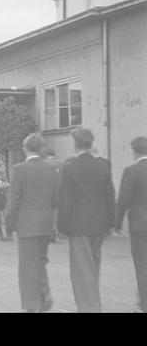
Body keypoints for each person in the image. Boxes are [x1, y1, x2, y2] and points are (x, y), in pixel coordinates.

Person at [58, 127, 115, 312]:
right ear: (91, 144)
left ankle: (89, 307)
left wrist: (62, 226)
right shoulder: (103, 166)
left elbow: (66, 200)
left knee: (82, 270)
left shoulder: (70, 168)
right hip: (99, 224)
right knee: (94, 267)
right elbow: (110, 196)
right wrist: (110, 223)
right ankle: (92, 303)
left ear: (75, 144)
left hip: (78, 225)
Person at [5, 133, 59, 313]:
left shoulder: (19, 169)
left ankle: (31, 305)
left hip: (27, 224)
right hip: (45, 222)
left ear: (24, 148)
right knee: (41, 261)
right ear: (41, 148)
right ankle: (44, 294)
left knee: (27, 266)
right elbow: (56, 198)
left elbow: (14, 200)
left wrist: (9, 223)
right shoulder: (52, 169)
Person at [115, 136, 147, 313]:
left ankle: (144, 304)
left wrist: (117, 222)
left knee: (143, 264)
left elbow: (123, 200)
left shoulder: (132, 171)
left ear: (135, 151)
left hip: (140, 225)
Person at [43, 148, 65, 242]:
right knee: (57, 213)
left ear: (46, 154)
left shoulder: (43, 164)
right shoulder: (62, 164)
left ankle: (50, 233)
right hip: (59, 192)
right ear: (54, 154)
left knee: (48, 213)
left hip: (46, 192)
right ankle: (58, 232)